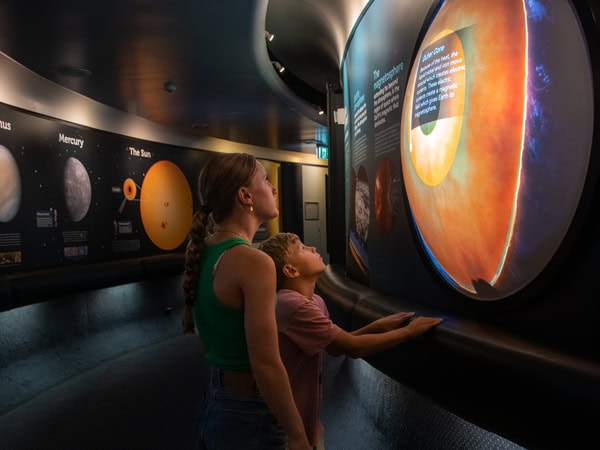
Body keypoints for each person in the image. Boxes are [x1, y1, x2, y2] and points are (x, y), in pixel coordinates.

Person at [258, 232, 444, 449]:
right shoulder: (292, 305)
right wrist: (410, 332)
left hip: (308, 421)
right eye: (303, 248)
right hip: (284, 427)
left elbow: (337, 347)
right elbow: (352, 348)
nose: (314, 249)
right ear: (291, 270)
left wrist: (378, 326)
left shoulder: (314, 301)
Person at [181, 153, 310, 450]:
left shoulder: (205, 252)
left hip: (216, 403)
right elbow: (265, 364)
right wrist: (297, 433)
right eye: (265, 180)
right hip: (248, 415)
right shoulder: (253, 262)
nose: (274, 188)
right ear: (245, 195)